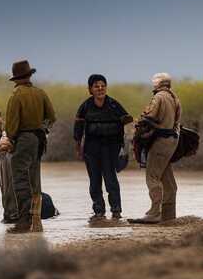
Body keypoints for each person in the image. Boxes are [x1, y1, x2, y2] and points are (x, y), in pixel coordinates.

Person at [3, 60, 56, 233]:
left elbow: (11, 125)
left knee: (20, 179)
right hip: (40, 139)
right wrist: (43, 129)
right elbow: (51, 117)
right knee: (35, 179)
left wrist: (10, 140)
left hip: (24, 139)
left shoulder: (16, 95)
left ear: (16, 79)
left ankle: (24, 221)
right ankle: (36, 220)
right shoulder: (40, 93)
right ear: (29, 75)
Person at [74, 74, 133, 220]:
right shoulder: (85, 106)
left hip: (111, 148)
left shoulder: (114, 104)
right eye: (96, 86)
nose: (100, 88)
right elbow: (78, 129)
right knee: (94, 181)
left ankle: (116, 210)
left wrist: (126, 147)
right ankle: (99, 211)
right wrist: (78, 147)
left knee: (110, 179)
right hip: (91, 148)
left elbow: (128, 123)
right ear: (90, 89)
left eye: (103, 86)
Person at [128, 73, 181, 224]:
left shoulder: (158, 97)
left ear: (158, 83)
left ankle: (154, 212)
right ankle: (169, 214)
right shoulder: (174, 97)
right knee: (166, 177)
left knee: (152, 176)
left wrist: (137, 129)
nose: (153, 84)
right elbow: (177, 121)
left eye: (154, 81)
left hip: (160, 141)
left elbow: (148, 117)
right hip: (172, 139)